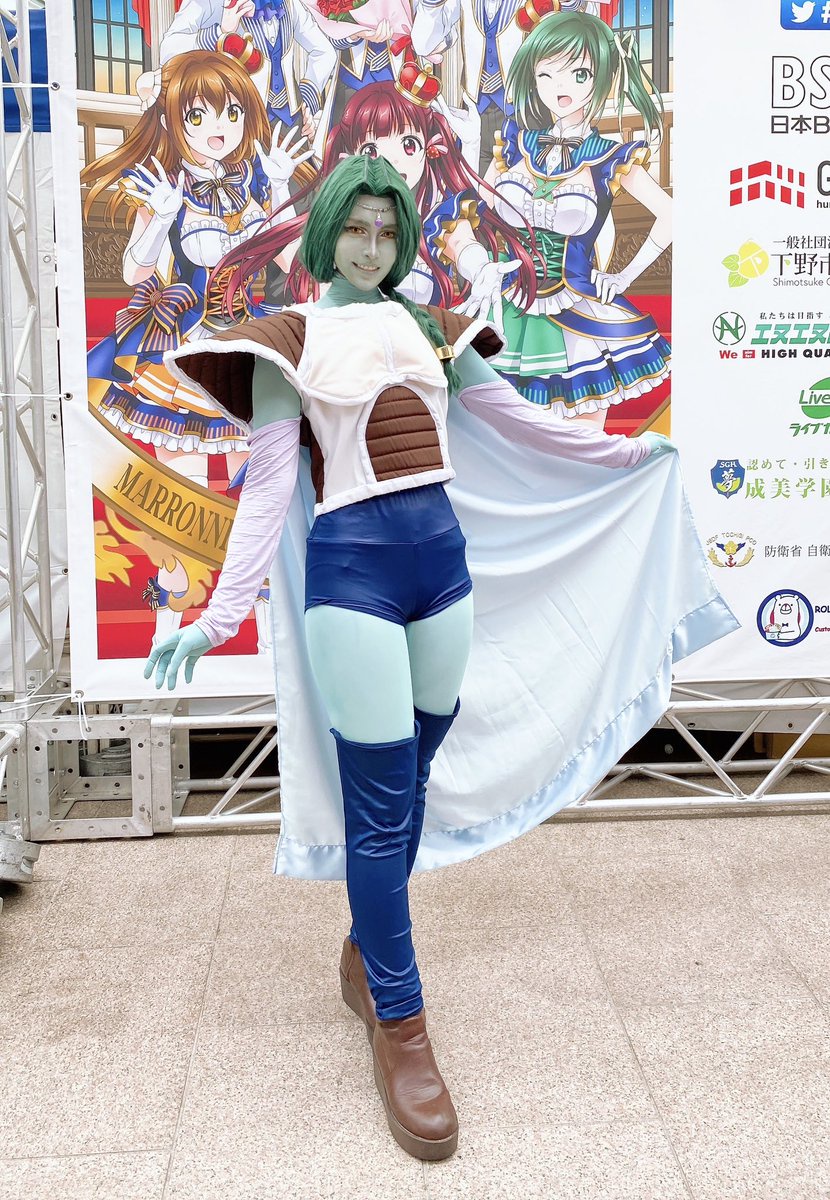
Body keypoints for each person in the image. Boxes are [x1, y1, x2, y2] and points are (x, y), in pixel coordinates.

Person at [148, 154, 737, 1159]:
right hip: (353, 581)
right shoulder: (288, 337)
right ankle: (403, 1027)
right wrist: (217, 614)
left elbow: (512, 417)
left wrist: (626, 453)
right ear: (326, 230)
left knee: (409, 785)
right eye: (355, 228)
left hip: (443, 576)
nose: (370, 247)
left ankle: (362, 950)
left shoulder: (431, 325)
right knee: (382, 809)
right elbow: (268, 487)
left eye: (387, 231)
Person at [82, 49, 311, 650]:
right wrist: (161, 218)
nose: (219, 129)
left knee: (254, 485)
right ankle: (174, 599)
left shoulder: (252, 190)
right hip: (184, 349)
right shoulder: (167, 191)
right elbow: (135, 272)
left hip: (249, 347)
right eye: (199, 116)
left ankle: (257, 612)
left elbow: (293, 263)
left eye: (231, 113)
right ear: (173, 120)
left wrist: (280, 186)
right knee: (175, 486)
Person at [478, 6, 672, 425]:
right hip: (508, 302)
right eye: (546, 74)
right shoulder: (514, 143)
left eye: (577, 73)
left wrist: (622, 277)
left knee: (582, 441)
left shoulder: (609, 157)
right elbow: (478, 209)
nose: (559, 87)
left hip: (576, 307)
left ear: (601, 76)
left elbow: (672, 215)